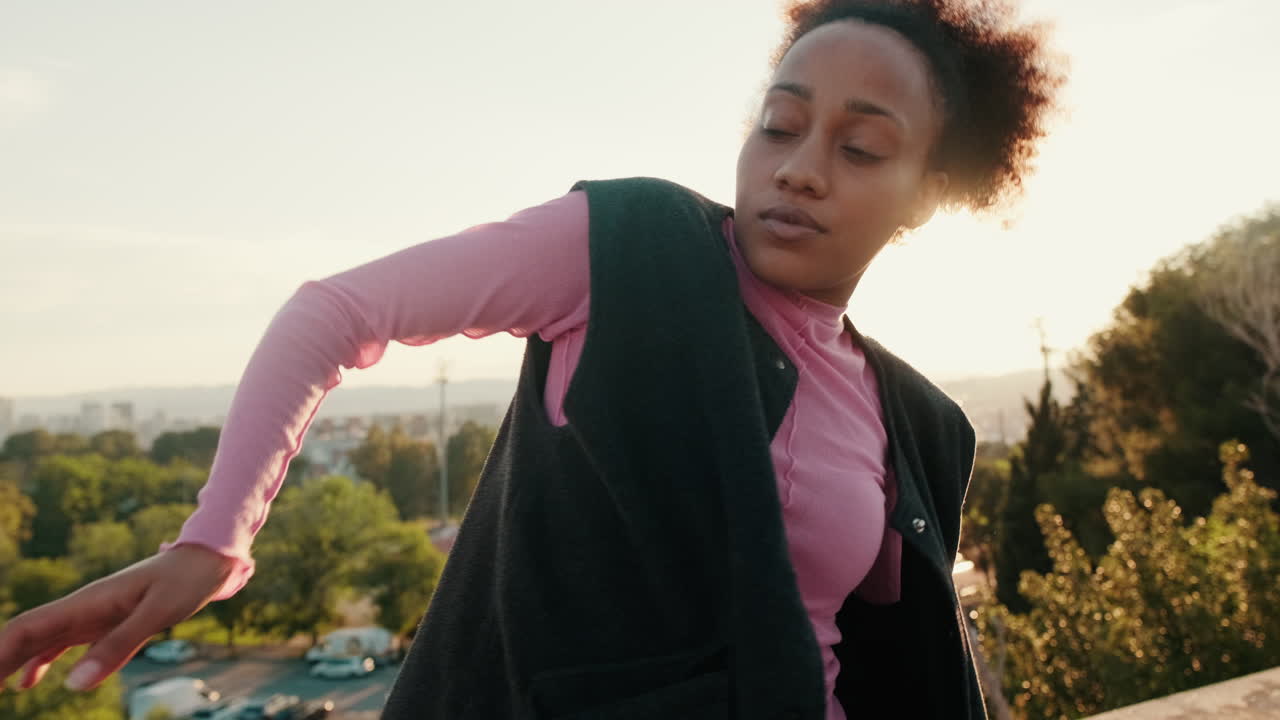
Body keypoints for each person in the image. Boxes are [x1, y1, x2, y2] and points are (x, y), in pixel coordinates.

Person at [0, 0, 1061, 717]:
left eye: (859, 147)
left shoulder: (913, 419)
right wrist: (212, 542)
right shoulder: (625, 249)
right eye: (778, 124)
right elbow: (330, 313)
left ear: (925, 196)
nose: (799, 169)